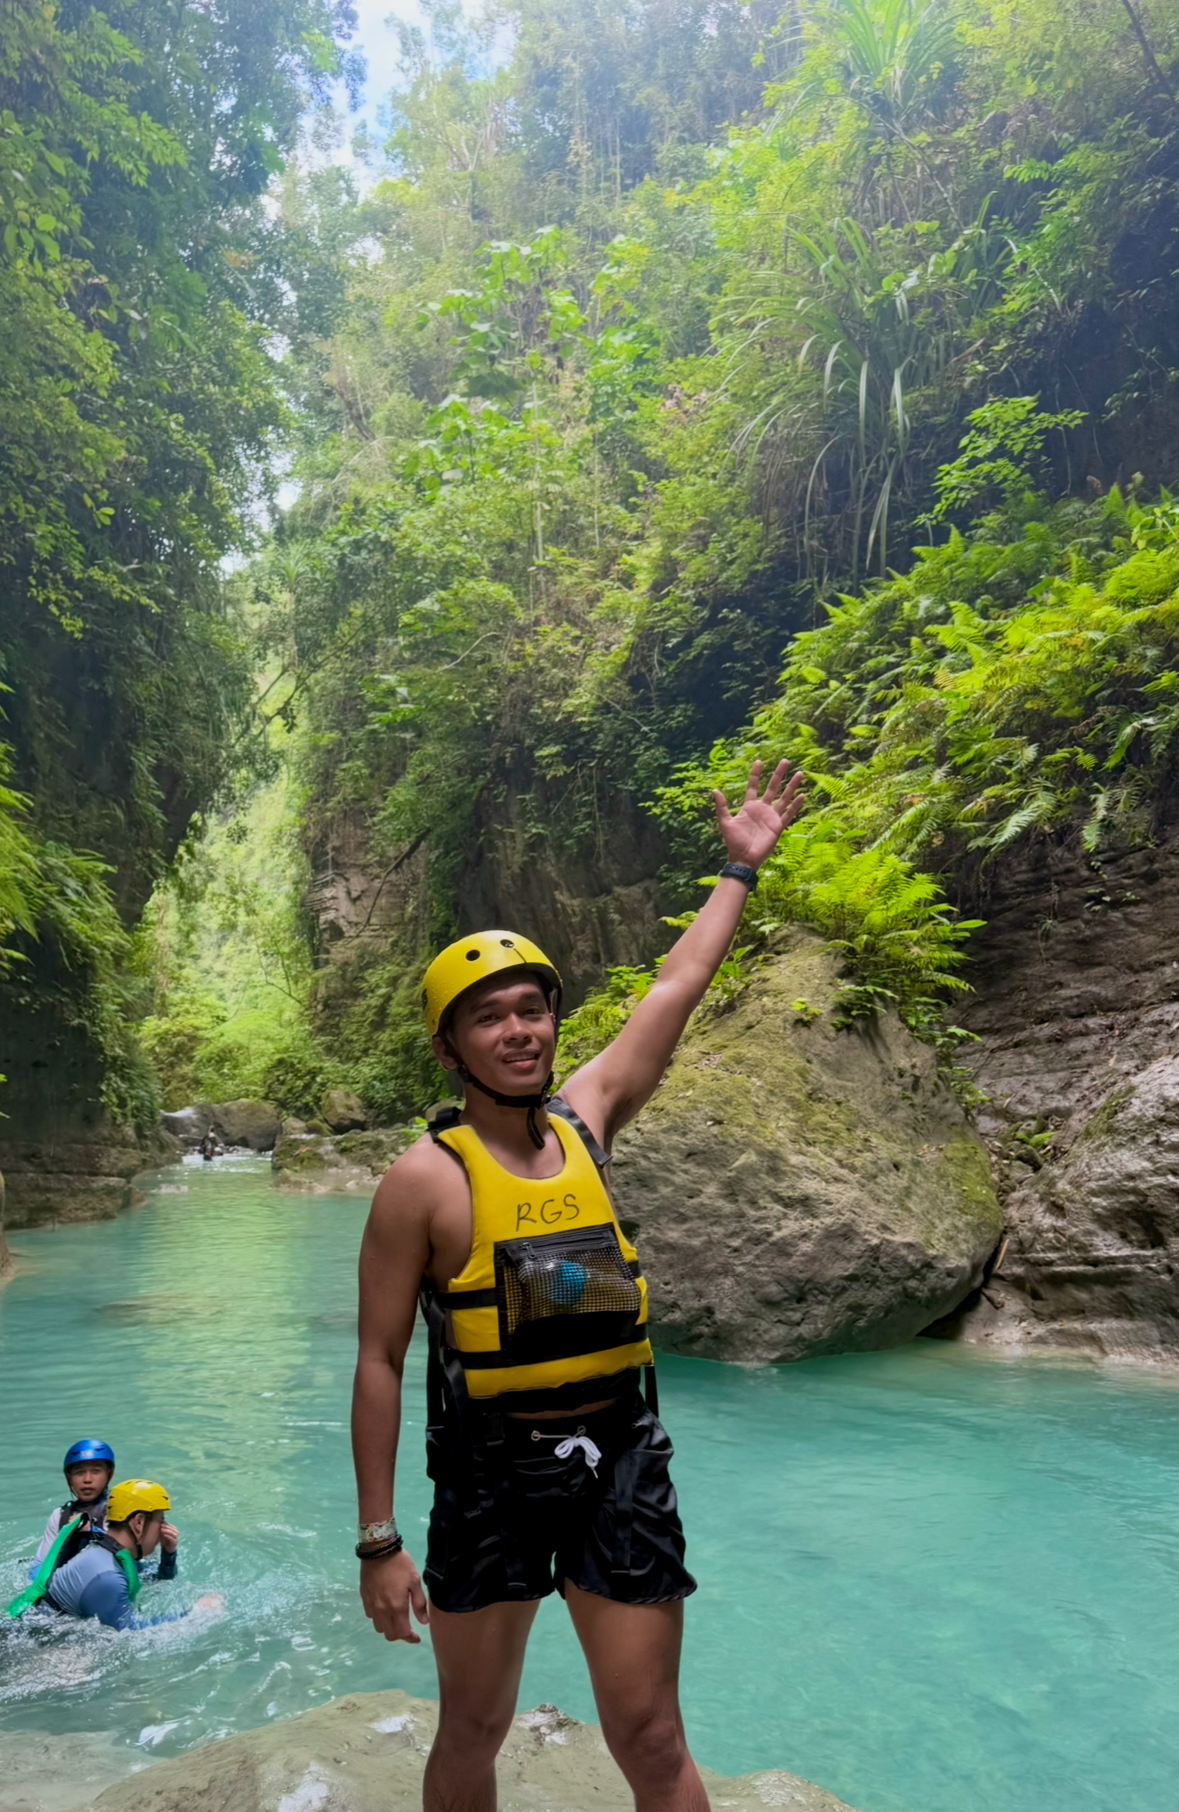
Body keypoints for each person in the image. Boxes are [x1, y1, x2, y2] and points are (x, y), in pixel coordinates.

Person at [352, 758, 804, 1812]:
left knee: (649, 1733)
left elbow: (676, 989)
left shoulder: (590, 1121)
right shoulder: (423, 1184)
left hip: (619, 1463)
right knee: (472, 1726)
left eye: (533, 1011)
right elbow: (378, 1360)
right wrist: (379, 1540)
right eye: (490, 1018)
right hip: (487, 1475)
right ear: (450, 1046)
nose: (520, 1032)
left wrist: (738, 871)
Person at [10, 1479, 216, 1629]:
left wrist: (168, 1555)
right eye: (160, 1522)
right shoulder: (106, 1576)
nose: (164, 1529)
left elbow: (158, 1580)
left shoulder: (110, 1550)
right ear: (138, 1523)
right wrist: (196, 1613)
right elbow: (131, 1636)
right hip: (22, 1642)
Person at [32, 1440, 116, 1567]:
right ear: (68, 1478)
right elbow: (39, 1564)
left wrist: (91, 1530)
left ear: (109, 1474)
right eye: (79, 1473)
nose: (87, 1480)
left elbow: (127, 1556)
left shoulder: (119, 1509)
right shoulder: (60, 1516)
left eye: (96, 1471)